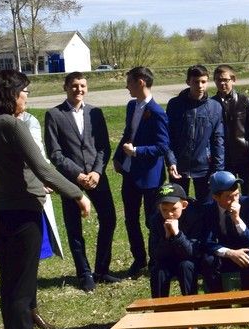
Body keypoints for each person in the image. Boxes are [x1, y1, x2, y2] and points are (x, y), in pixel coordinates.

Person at [0, 70, 92, 329]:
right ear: (11, 94)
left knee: (11, 288)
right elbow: (43, 166)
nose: (26, 97)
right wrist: (77, 194)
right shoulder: (11, 125)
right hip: (21, 214)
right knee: (21, 292)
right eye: (24, 91)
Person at [43, 70, 118, 291]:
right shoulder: (54, 115)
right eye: (74, 86)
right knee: (74, 228)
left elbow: (103, 146)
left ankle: (102, 269)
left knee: (109, 220)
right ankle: (84, 273)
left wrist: (96, 172)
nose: (79, 90)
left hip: (97, 178)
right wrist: (77, 175)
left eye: (83, 86)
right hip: (71, 180)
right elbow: (55, 153)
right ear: (65, 87)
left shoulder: (95, 112)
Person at [114, 65, 170, 278]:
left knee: (152, 220)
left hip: (150, 178)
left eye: (129, 82)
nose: (126, 86)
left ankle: (157, 259)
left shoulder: (157, 113)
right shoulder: (131, 106)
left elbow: (163, 146)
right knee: (130, 219)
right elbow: (128, 133)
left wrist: (137, 151)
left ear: (141, 82)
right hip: (130, 174)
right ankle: (139, 259)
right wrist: (119, 157)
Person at [165, 64, 225, 204]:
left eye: (203, 82)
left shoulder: (215, 107)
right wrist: (171, 161)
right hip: (179, 166)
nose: (200, 86)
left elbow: (218, 139)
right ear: (188, 82)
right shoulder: (175, 104)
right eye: (195, 82)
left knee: (206, 208)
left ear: (207, 82)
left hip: (204, 166)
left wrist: (217, 169)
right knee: (176, 205)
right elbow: (168, 136)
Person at [193, 170, 249, 292]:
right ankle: (219, 303)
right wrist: (230, 253)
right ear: (215, 197)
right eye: (229, 197)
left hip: (243, 247)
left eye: (237, 194)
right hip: (224, 252)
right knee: (208, 260)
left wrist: (237, 220)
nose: (235, 201)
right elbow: (206, 242)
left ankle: (248, 301)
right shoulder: (208, 209)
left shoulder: (248, 204)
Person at [213, 64, 249, 193]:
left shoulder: (245, 101)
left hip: (246, 158)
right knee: (227, 196)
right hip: (224, 161)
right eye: (219, 80)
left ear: (233, 79)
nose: (222, 83)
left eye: (226, 80)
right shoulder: (212, 104)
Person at [147, 183, 197, 298]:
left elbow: (192, 253)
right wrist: (167, 237)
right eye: (164, 210)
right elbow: (155, 254)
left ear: (184, 205)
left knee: (186, 266)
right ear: (159, 207)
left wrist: (178, 234)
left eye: (174, 209)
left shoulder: (193, 217)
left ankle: (192, 306)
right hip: (166, 259)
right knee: (158, 271)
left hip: (187, 259)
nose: (169, 214)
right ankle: (160, 309)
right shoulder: (155, 220)